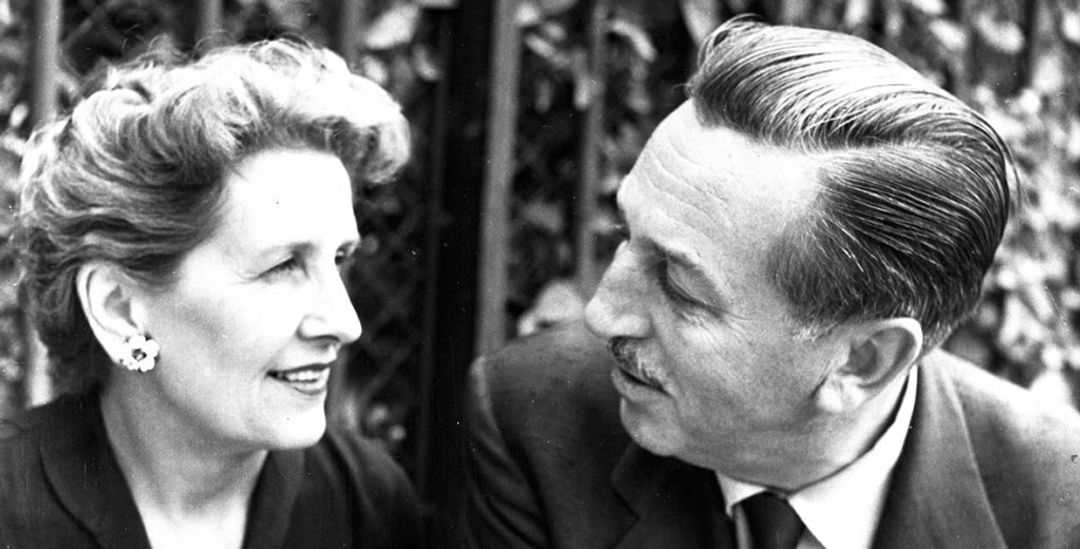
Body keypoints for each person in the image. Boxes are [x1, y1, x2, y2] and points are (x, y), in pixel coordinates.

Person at [465, 19, 1080, 549]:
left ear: (863, 360)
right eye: (626, 234)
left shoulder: (1060, 507)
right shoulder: (534, 416)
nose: (601, 314)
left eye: (681, 287)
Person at [1, 39, 422, 548]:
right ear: (119, 309)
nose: (345, 323)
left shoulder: (365, 503)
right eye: (283, 266)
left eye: (338, 259)